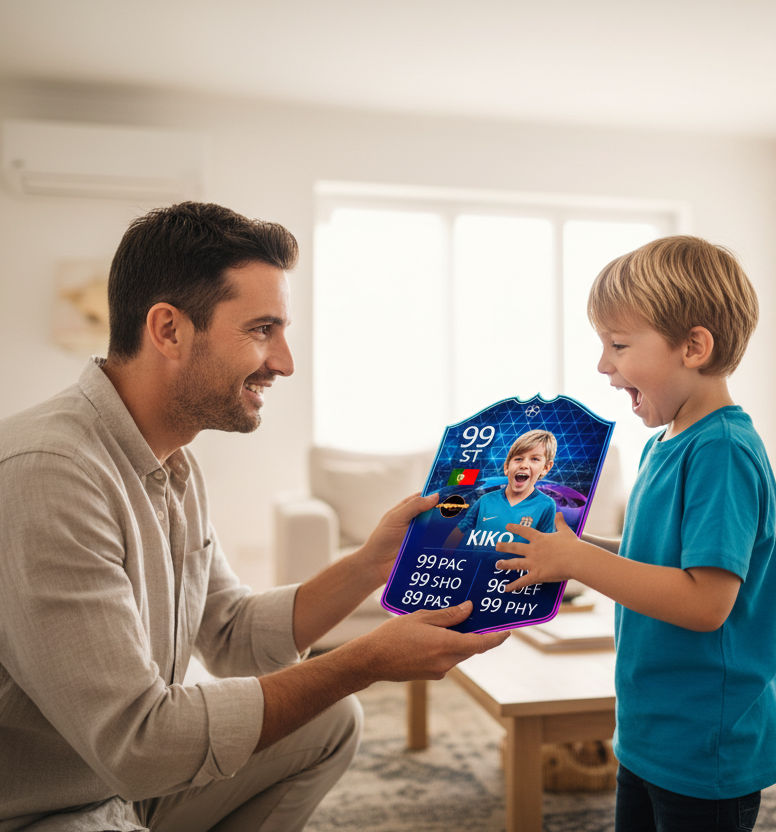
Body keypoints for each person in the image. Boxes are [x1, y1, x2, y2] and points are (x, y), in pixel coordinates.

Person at [0, 202, 508, 832]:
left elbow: (235, 634)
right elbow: (139, 742)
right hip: (50, 809)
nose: (285, 362)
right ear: (169, 331)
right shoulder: (49, 472)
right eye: (262, 329)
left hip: (123, 789)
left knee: (330, 719)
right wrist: (363, 661)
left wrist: (374, 563)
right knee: (334, 691)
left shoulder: (173, 464)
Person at [495, 236, 776, 831]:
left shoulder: (722, 451)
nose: (604, 366)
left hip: (706, 743)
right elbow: (647, 562)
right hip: (650, 731)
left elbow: (705, 602)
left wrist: (574, 558)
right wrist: (561, 548)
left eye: (619, 345)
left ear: (694, 347)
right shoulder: (664, 443)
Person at [446, 429, 557, 550]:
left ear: (546, 468)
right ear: (506, 468)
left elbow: (545, 550)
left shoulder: (546, 505)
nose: (524, 465)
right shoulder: (485, 501)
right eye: (518, 459)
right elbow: (461, 529)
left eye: (535, 459)